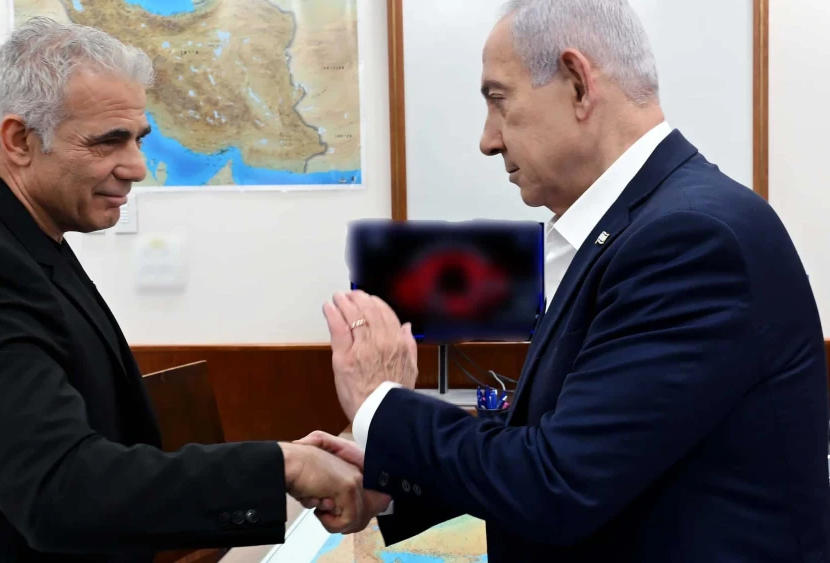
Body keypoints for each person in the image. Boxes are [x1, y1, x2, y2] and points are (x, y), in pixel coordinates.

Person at [304, 0, 830, 561]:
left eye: (499, 101)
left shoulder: (689, 239)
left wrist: (380, 404)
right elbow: (573, 439)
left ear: (578, 84)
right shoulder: (643, 226)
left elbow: (557, 482)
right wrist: (393, 481)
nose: (488, 140)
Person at [0, 18, 374, 563]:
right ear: (19, 140)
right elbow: (60, 491)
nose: (137, 167)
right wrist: (281, 467)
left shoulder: (16, 236)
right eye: (108, 141)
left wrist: (279, 463)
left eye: (138, 139)